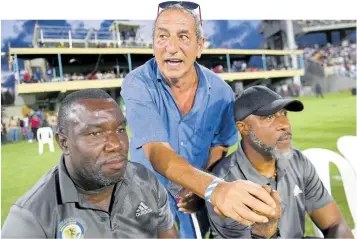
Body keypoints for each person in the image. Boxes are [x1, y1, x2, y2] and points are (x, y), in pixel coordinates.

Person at [121, 1, 276, 238]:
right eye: (162, 36)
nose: (171, 47)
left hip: (194, 201)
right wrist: (212, 187)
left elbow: (220, 143)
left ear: (200, 46)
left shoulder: (221, 92)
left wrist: (201, 183)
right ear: (153, 44)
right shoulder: (137, 84)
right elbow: (156, 151)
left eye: (183, 36)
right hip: (146, 198)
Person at [2, 89, 177, 238]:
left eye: (120, 129)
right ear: (64, 143)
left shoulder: (145, 181)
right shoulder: (31, 218)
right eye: (95, 134)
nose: (116, 144)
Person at [206, 85, 354, 238]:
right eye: (269, 117)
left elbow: (335, 224)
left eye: (284, 114)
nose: (285, 125)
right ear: (243, 128)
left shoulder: (298, 162)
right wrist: (265, 232)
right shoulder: (225, 184)